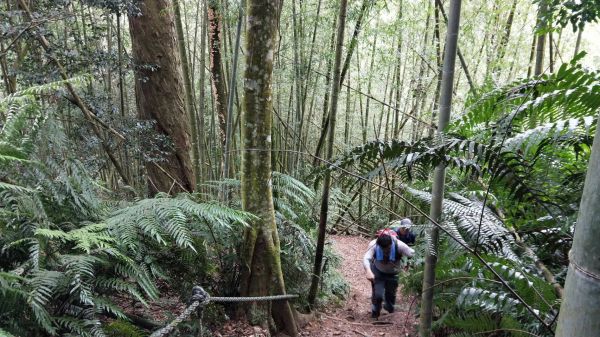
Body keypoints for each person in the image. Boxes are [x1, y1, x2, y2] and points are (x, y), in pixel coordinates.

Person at [363, 228, 415, 318]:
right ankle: (375, 313)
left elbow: (414, 254)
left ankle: (389, 311)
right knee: (377, 294)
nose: (385, 251)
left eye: (387, 248)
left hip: (393, 273)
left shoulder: (400, 245)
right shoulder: (373, 244)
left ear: (391, 243)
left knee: (390, 295)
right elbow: (366, 258)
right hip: (378, 271)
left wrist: (410, 265)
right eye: (382, 249)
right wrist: (368, 270)